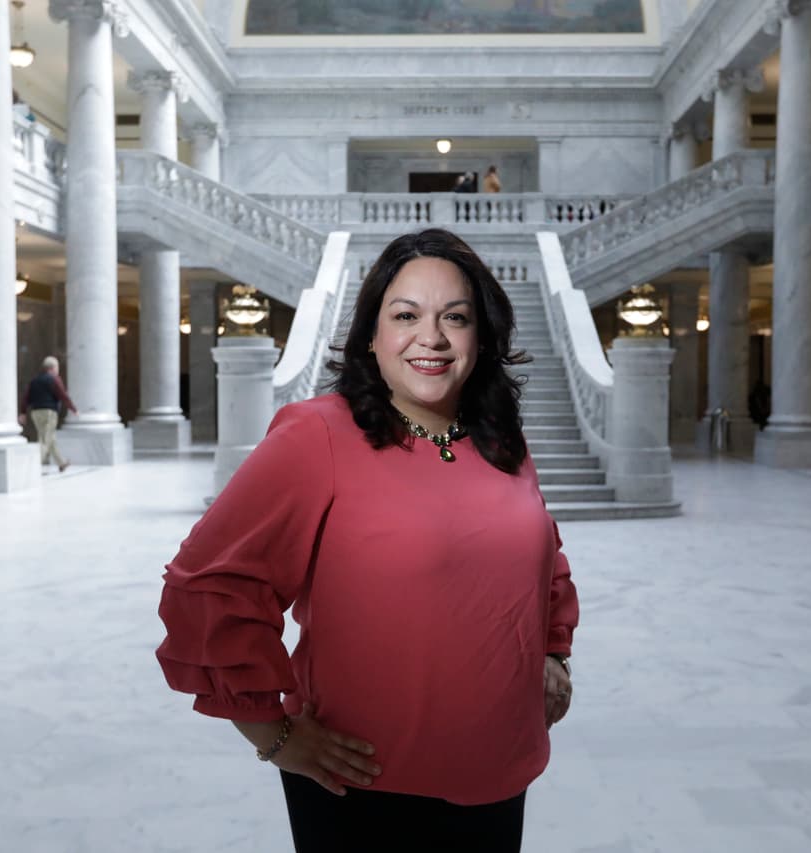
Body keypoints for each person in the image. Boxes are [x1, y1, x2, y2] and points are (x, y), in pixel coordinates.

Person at [155, 228, 579, 853]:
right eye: (405, 315)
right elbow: (209, 581)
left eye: (454, 318)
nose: (430, 338)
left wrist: (552, 651)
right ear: (372, 336)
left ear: (481, 337)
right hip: (365, 786)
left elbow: (541, 559)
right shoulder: (316, 436)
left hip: (498, 770)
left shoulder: (499, 439)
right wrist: (271, 733)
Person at [19, 356, 78, 473]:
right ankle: (33, 466)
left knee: (49, 438)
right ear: (52, 368)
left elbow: (26, 398)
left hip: (35, 413)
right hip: (49, 413)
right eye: (57, 367)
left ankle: (61, 463)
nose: (57, 370)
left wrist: (23, 412)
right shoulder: (54, 379)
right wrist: (73, 409)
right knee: (45, 440)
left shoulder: (34, 381)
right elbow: (63, 395)